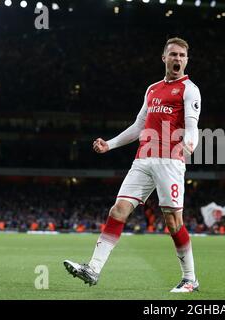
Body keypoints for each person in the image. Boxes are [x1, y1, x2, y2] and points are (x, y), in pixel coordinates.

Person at [63, 37, 201, 293]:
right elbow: (139, 127)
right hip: (143, 159)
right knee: (118, 210)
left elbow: (193, 129)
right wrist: (110, 144)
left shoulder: (189, 89)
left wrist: (189, 145)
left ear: (186, 60)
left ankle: (190, 278)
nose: (178, 59)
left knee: (173, 222)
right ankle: (93, 269)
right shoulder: (152, 89)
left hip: (170, 161)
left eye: (182, 55)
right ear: (164, 58)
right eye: (173, 54)